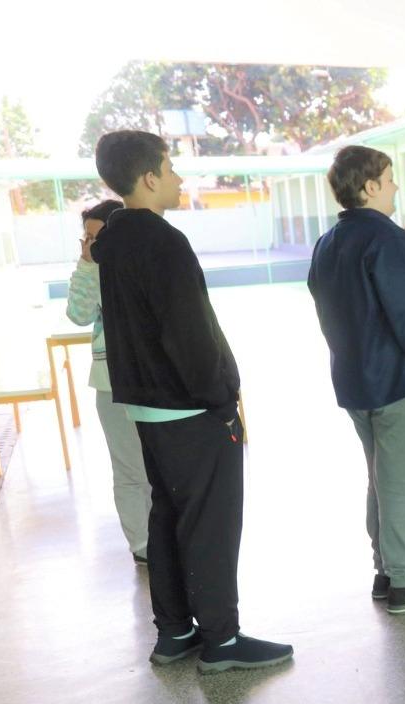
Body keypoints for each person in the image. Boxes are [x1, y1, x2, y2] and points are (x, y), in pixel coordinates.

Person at [91, 130, 292, 673]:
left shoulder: (114, 240)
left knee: (168, 515)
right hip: (189, 407)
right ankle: (222, 640)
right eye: (172, 168)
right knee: (210, 522)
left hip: (147, 405)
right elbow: (188, 333)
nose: (179, 178)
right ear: (150, 177)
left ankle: (176, 632)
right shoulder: (162, 241)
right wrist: (221, 398)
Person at [310, 147, 405, 614]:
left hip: (356, 380)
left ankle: (387, 570)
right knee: (398, 486)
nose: (397, 188)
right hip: (398, 382)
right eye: (391, 179)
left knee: (381, 481)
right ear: (370, 186)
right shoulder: (390, 240)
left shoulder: (329, 241)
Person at [65, 198, 150, 566]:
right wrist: (85, 267)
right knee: (129, 469)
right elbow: (78, 314)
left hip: (151, 381)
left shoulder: (141, 266)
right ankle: (144, 546)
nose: (91, 245)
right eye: (85, 238)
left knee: (160, 466)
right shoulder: (91, 270)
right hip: (110, 385)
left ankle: (173, 536)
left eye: (97, 237)